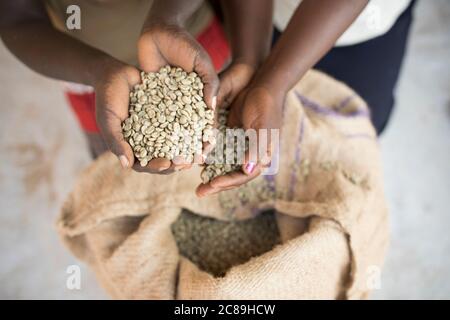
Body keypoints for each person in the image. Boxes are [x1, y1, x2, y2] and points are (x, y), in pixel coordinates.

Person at [0, 0, 414, 197]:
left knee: (358, 116)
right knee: (119, 164)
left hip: (355, 18)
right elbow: (15, 18)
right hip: (235, 17)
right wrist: (252, 61)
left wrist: (272, 79)